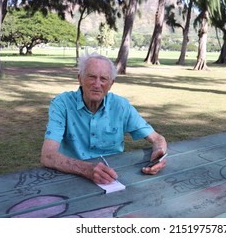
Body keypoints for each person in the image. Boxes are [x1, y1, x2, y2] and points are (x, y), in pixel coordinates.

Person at [40, 52, 167, 184]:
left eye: (103, 79)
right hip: (70, 177)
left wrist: (159, 152)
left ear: (111, 83)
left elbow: (157, 138)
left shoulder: (121, 106)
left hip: (112, 177)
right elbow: (47, 155)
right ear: (80, 79)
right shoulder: (62, 104)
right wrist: (87, 169)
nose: (97, 84)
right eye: (91, 77)